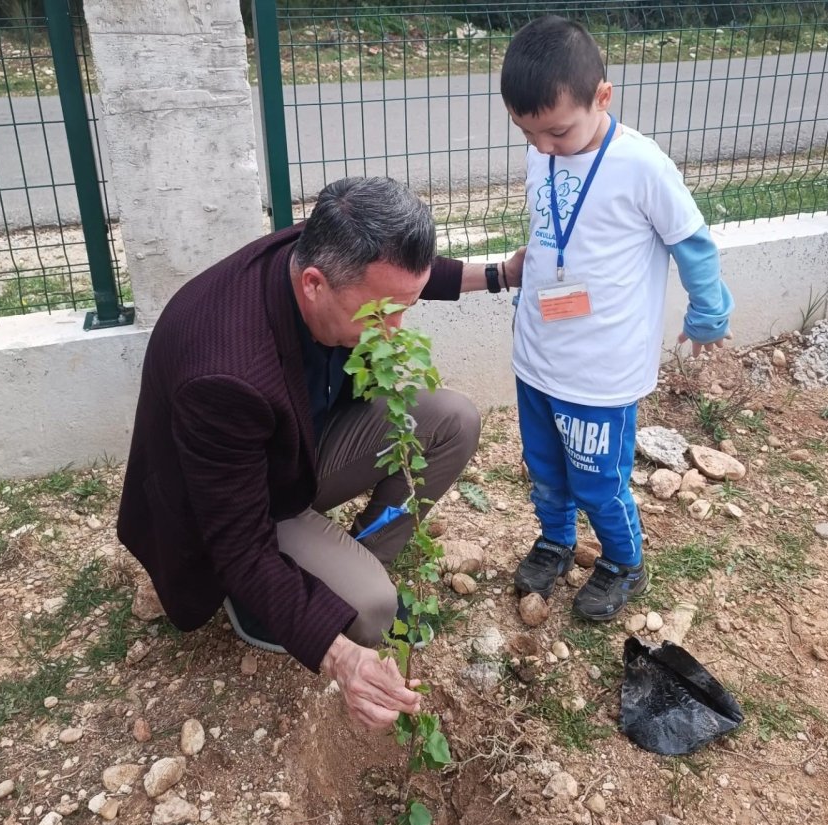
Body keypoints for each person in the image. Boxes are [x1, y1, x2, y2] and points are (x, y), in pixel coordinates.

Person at [117, 176, 519, 730]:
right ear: (314, 285)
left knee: (453, 420)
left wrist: (501, 274)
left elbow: (404, 280)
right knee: (373, 609)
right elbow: (238, 542)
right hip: (237, 509)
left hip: (295, 453)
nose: (396, 329)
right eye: (382, 313)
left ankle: (349, 563)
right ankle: (266, 603)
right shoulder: (225, 375)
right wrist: (342, 655)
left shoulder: (332, 249)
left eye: (403, 307)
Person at [500, 16, 734, 621]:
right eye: (530, 135)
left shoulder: (642, 165)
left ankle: (623, 561)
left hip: (601, 373)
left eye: (556, 131)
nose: (544, 147)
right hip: (538, 356)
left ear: (602, 96)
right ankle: (555, 539)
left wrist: (709, 313)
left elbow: (693, 242)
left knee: (599, 482)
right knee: (545, 469)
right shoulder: (545, 152)